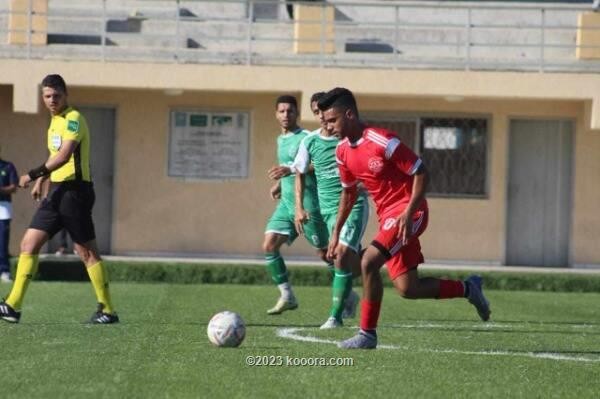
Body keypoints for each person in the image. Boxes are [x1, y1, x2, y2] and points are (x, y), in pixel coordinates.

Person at [318, 88, 490, 349]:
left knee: (368, 262)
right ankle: (469, 289)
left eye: (332, 120)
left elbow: (421, 171)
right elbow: (348, 194)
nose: (327, 126)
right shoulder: (342, 152)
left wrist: (408, 213)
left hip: (411, 212)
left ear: (349, 114)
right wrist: (335, 233)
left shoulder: (382, 140)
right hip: (388, 217)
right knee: (409, 288)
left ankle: (367, 335)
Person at [0, 74, 118, 324]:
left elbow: (64, 156)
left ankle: (107, 310)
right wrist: (44, 180)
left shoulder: (74, 119)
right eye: (47, 96)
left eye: (56, 95)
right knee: (28, 244)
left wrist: (32, 175)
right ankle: (12, 306)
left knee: (86, 252)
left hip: (75, 192)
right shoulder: (54, 122)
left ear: (66, 95)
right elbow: (55, 157)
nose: (52, 100)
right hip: (56, 191)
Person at [292, 92, 367, 329]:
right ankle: (367, 267)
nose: (322, 117)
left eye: (325, 112)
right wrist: (299, 208)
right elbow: (300, 173)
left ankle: (335, 317)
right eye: (317, 113)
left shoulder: (346, 138)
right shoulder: (310, 142)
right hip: (325, 210)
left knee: (341, 255)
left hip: (353, 206)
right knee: (330, 257)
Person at [263, 94, 329, 315]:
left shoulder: (307, 137)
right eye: (281, 111)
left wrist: (290, 170)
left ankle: (349, 293)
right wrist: (281, 185)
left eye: (290, 111)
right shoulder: (280, 140)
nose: (285, 115)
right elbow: (289, 169)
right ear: (275, 114)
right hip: (287, 204)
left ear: (297, 113)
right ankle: (287, 295)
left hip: (309, 203)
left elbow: (316, 164)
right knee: (269, 245)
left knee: (326, 254)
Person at [0, 147, 18, 283]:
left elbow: (14, 187)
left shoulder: (8, 166)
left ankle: (5, 271)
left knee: (2, 243)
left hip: (3, 210)